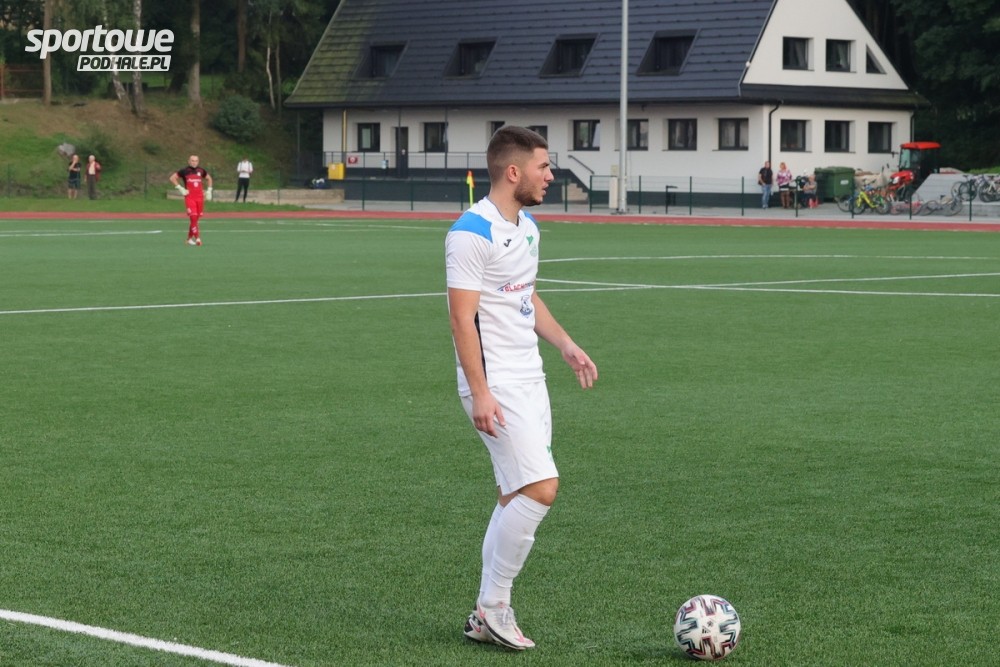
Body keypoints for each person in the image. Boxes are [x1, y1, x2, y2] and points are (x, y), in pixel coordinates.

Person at [445, 126, 598, 651]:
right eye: (543, 166)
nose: (550, 175)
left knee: (514, 494)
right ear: (514, 172)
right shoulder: (470, 232)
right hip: (495, 382)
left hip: (530, 376)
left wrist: (565, 344)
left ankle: (483, 614)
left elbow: (525, 295)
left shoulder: (527, 226)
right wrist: (480, 391)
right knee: (542, 487)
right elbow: (462, 319)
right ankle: (494, 606)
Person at [169, 155, 213, 246]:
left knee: (195, 220)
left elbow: (209, 179)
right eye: (192, 160)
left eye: (196, 161)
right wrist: (180, 188)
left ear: (198, 161)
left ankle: (189, 239)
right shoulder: (184, 171)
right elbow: (172, 178)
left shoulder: (201, 170)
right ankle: (198, 238)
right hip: (190, 197)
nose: (194, 162)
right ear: (189, 161)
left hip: (200, 198)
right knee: (193, 217)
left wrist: (209, 191)